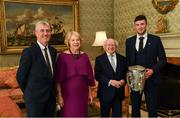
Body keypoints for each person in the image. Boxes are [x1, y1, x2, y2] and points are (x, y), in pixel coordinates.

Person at [125, 15, 167, 117]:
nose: (140, 27)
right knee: (135, 107)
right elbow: (128, 61)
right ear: (135, 26)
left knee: (152, 108)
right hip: (135, 80)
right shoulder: (129, 41)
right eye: (137, 25)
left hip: (151, 79)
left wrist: (152, 70)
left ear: (146, 24)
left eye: (142, 24)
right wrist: (128, 79)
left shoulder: (155, 40)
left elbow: (163, 60)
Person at [16, 20, 57, 117]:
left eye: (48, 31)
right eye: (42, 31)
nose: (45, 33)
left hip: (50, 98)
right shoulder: (29, 52)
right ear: (36, 33)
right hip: (34, 100)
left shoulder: (53, 51)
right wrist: (29, 93)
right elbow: (20, 76)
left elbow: (52, 75)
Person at [55, 31, 95, 117]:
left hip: (83, 93)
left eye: (78, 40)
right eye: (73, 40)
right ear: (68, 42)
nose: (76, 42)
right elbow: (58, 79)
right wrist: (59, 95)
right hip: (68, 95)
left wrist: (90, 93)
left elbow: (88, 79)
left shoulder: (85, 56)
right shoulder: (62, 57)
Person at [94, 38, 127, 117]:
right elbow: (97, 75)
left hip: (118, 93)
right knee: (105, 115)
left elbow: (126, 74)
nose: (111, 47)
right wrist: (110, 82)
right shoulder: (99, 59)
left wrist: (123, 81)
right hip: (105, 93)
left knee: (118, 115)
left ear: (116, 46)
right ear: (104, 47)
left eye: (113, 45)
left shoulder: (123, 59)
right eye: (108, 45)